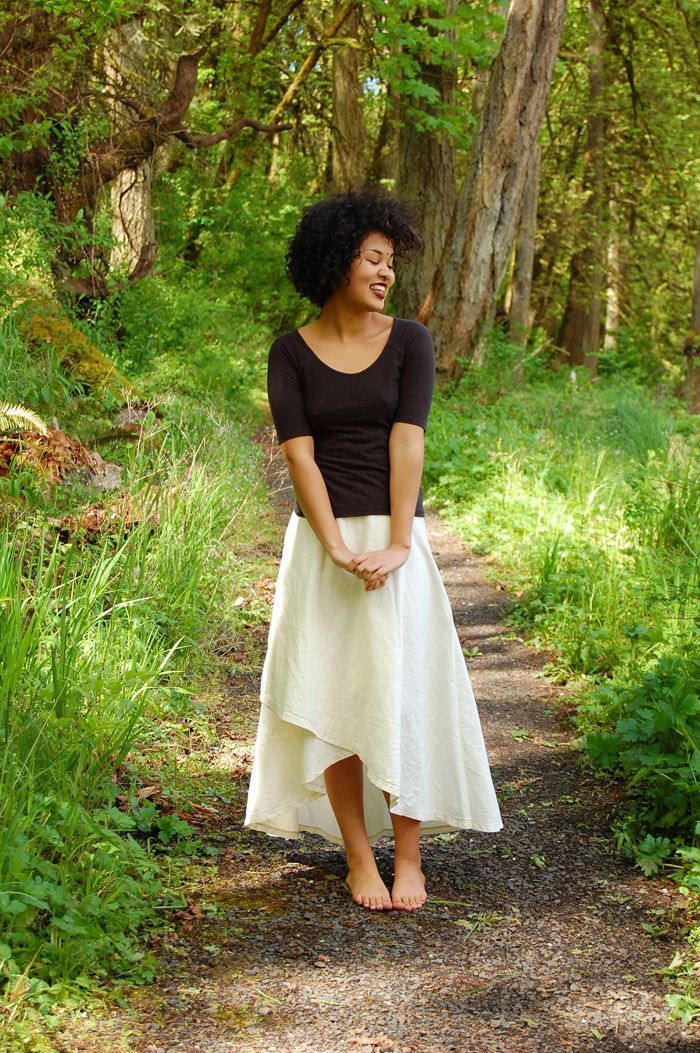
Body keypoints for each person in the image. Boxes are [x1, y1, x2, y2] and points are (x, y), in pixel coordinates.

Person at [244, 188, 502, 912]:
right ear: (338, 260)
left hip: (397, 540)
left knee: (402, 693)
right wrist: (333, 547)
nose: (387, 273)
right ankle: (360, 856)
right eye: (373, 258)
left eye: (392, 262)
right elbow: (299, 455)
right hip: (321, 548)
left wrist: (394, 543)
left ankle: (409, 854)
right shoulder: (289, 353)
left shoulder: (410, 341)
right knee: (336, 693)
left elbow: (407, 440)